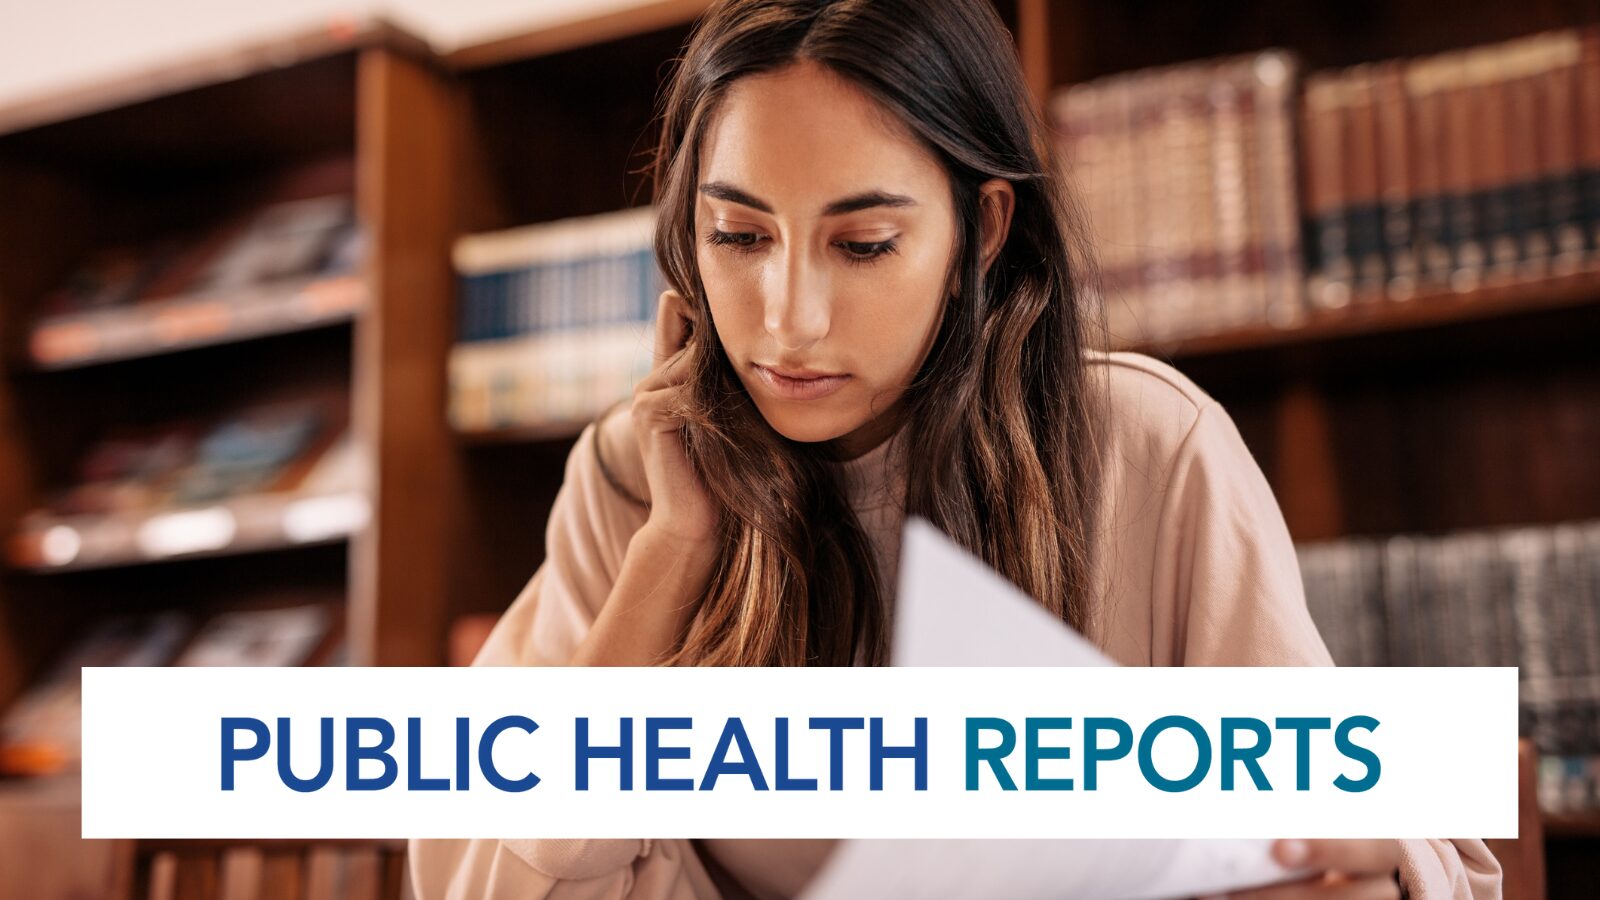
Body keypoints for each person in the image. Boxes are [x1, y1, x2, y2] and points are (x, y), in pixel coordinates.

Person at [410, 0, 1503, 897]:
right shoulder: (637, 479)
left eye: (865, 244)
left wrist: (1343, 860)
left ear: (978, 231)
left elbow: (1399, 856)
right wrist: (672, 555)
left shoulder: (1147, 450)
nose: (787, 319)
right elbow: (493, 879)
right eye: (737, 236)